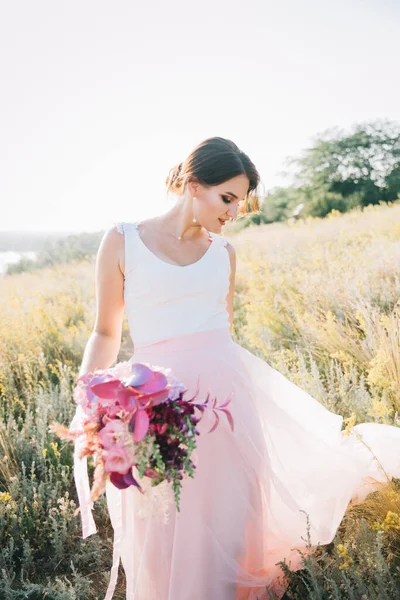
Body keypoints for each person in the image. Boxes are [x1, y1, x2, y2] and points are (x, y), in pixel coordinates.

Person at [69, 136, 400, 600]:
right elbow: (105, 332)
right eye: (227, 198)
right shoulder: (123, 240)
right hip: (153, 406)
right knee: (163, 521)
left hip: (225, 403)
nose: (234, 211)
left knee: (227, 518)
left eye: (240, 202)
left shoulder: (224, 252)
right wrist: (89, 396)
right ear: (192, 183)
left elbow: (220, 333)